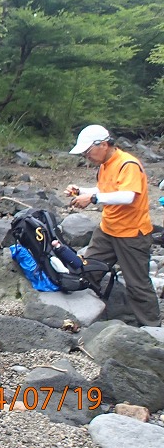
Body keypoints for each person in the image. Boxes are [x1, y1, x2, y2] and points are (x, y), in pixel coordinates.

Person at [65, 124, 160, 327]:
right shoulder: (104, 165)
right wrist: (81, 191)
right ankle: (83, 315)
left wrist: (92, 199)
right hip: (107, 230)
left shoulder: (128, 164)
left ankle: (151, 329)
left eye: (88, 151)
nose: (86, 156)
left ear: (103, 144)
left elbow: (127, 196)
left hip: (132, 234)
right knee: (87, 270)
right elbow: (105, 189)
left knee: (137, 285)